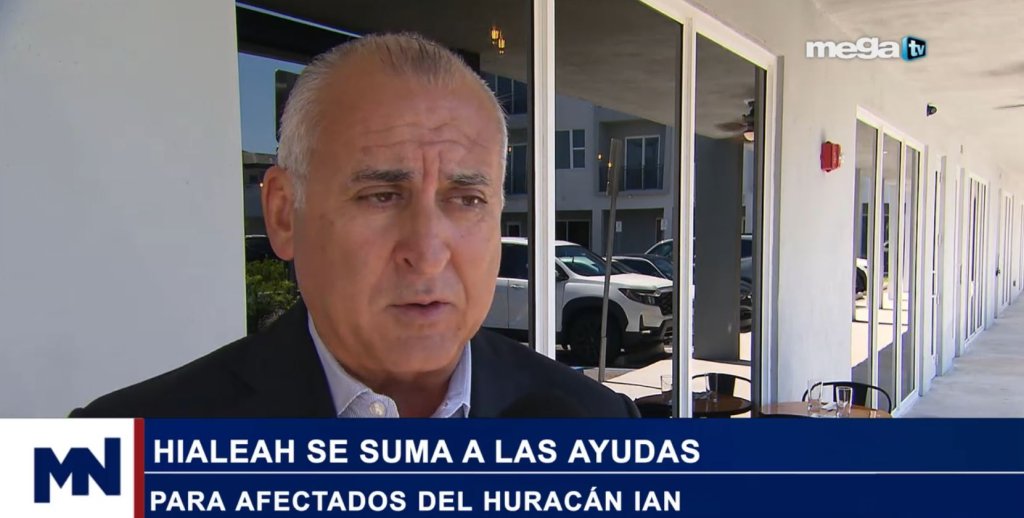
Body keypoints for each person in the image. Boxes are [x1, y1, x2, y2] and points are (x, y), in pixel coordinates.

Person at [72, 33, 638, 418]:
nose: (428, 251)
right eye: (381, 196)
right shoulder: (119, 450)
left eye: (466, 199)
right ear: (282, 214)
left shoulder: (601, 426)